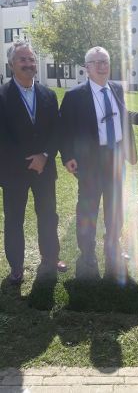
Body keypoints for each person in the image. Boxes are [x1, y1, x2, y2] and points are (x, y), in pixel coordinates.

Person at [60, 46, 138, 282]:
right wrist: (67, 156)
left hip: (117, 158)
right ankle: (87, 253)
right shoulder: (74, 95)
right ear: (86, 68)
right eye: (95, 62)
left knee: (115, 207)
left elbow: (123, 114)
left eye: (105, 61)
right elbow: (63, 129)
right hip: (90, 161)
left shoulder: (117, 88)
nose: (101, 66)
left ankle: (112, 246)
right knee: (88, 209)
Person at [0, 40, 67, 285]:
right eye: (23, 59)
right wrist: (27, 160)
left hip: (45, 169)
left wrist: (45, 156)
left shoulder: (48, 95)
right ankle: (16, 267)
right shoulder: (2, 96)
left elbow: (57, 131)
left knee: (49, 215)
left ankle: (51, 257)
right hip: (14, 172)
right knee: (14, 220)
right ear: (11, 64)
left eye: (31, 59)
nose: (29, 64)